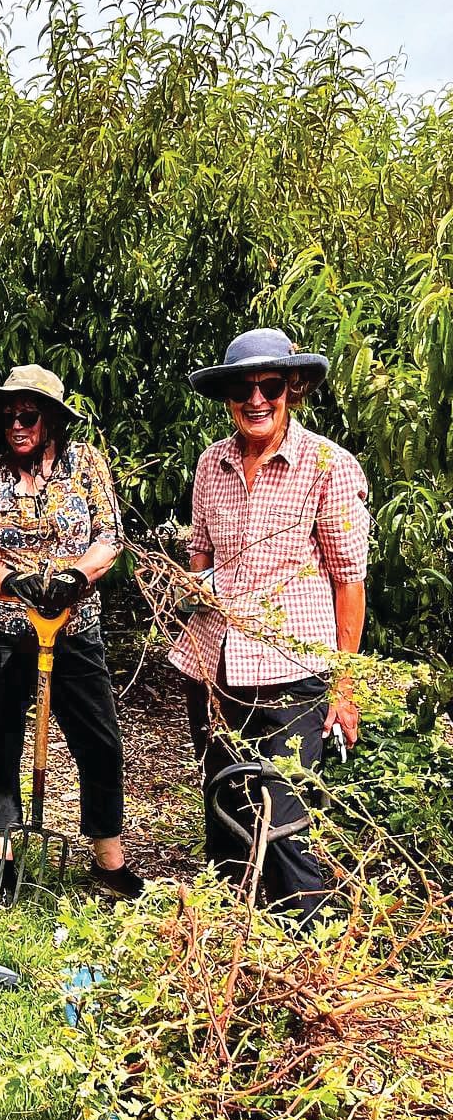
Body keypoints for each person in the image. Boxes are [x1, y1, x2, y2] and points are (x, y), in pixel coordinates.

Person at [175, 328, 370, 922]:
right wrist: (189, 595)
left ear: (294, 389)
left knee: (283, 820)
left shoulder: (327, 466)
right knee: (227, 808)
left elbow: (349, 580)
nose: (255, 400)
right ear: (228, 396)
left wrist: (344, 687)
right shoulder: (212, 464)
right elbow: (201, 556)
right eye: (242, 388)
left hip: (293, 672)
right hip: (217, 669)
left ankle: (308, 958)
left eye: (270, 386)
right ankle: (233, 950)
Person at [0, 364, 143, 904]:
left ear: (52, 421)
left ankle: (109, 858)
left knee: (100, 741)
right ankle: (3, 853)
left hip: (74, 628)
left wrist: (75, 577)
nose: (17, 425)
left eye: (28, 416)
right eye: (9, 415)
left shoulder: (86, 466)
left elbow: (111, 538)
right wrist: (11, 581)